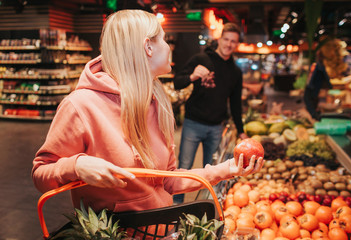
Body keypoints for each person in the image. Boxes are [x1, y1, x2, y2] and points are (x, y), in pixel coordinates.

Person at [32, 10, 264, 234]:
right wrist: (76, 166)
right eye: (163, 39)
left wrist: (226, 170)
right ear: (148, 47)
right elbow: (41, 174)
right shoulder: (81, 106)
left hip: (162, 231)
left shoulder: (157, 101)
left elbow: (168, 182)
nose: (169, 47)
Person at [172, 23, 247, 203]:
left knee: (213, 171)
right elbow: (177, 82)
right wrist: (192, 77)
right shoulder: (201, 59)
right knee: (184, 168)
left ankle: (205, 207)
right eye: (226, 39)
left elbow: (235, 104)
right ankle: (175, 206)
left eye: (233, 41)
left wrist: (242, 130)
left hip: (215, 127)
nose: (229, 44)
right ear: (220, 39)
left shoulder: (236, 72)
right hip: (193, 123)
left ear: (236, 44)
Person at [304, 50, 332, 120]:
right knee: (310, 102)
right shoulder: (317, 65)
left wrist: (330, 86)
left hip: (313, 88)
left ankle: (315, 117)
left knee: (310, 103)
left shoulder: (319, 66)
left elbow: (324, 77)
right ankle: (314, 117)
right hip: (313, 87)